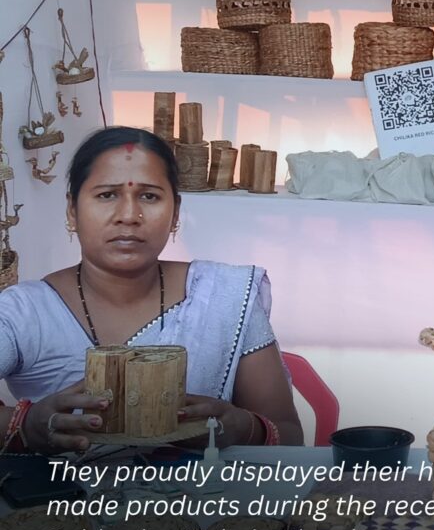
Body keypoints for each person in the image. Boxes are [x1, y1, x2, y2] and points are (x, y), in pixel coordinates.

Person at [0, 127, 303, 454]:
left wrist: (242, 429)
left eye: (149, 196)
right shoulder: (25, 312)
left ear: (175, 213)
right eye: (106, 195)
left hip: (201, 503)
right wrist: (27, 425)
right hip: (57, 504)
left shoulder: (227, 297)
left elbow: (288, 436)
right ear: (72, 210)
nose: (129, 216)